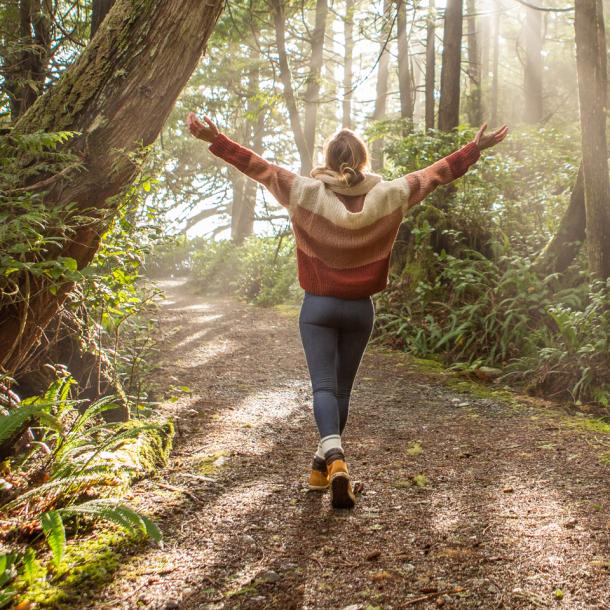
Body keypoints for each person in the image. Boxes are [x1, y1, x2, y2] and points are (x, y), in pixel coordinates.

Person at [186, 112, 508, 509]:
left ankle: (334, 459)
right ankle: (322, 468)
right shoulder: (390, 194)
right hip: (360, 311)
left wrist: (215, 139)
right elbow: (435, 174)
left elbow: (257, 167)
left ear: (329, 157)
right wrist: (475, 148)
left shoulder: (303, 191)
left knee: (323, 388)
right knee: (341, 391)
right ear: (362, 160)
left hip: (318, 306)